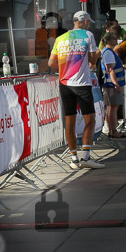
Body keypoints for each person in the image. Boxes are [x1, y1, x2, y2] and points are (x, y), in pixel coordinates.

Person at [48, 10, 104, 169]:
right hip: (81, 84)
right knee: (90, 120)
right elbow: (93, 61)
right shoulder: (88, 35)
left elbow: (52, 63)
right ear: (86, 22)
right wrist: (97, 55)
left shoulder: (60, 38)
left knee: (70, 122)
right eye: (89, 22)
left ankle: (74, 159)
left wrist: (69, 60)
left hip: (65, 84)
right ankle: (85, 157)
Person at [100, 31, 126, 139]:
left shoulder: (109, 51)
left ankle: (113, 130)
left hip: (111, 84)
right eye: (115, 39)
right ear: (110, 41)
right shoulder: (108, 52)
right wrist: (116, 83)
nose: (117, 40)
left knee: (112, 108)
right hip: (111, 85)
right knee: (112, 108)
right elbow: (110, 69)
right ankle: (113, 130)